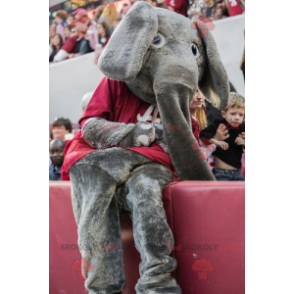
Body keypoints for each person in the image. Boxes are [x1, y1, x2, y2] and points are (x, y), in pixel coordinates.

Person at [200, 92, 245, 181]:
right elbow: (203, 135)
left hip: (238, 172)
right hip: (221, 173)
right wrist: (216, 141)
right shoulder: (218, 125)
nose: (237, 117)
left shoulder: (242, 128)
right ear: (224, 114)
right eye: (233, 114)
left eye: (241, 115)